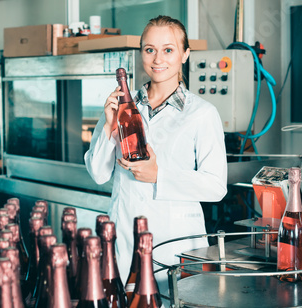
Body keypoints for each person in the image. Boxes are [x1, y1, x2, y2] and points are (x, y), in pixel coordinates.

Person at [84, 15, 228, 290]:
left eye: (168, 49)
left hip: (175, 242)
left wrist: (158, 174)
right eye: (150, 49)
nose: (158, 59)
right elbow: (98, 173)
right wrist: (107, 126)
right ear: (141, 54)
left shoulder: (202, 114)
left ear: (185, 54)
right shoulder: (122, 105)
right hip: (124, 237)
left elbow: (216, 186)